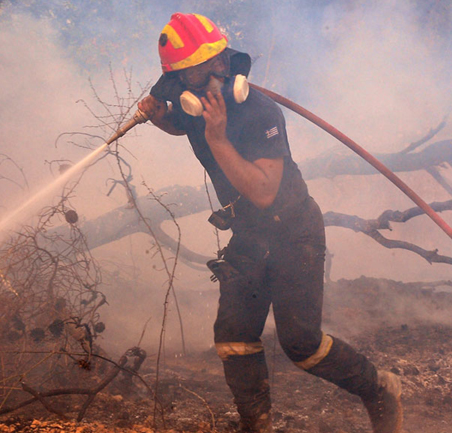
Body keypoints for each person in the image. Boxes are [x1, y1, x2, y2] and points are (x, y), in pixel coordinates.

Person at [138, 12, 404, 433]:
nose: (198, 86)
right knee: (234, 336)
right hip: (249, 236)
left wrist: (219, 139)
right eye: (186, 79)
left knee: (301, 344)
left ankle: (379, 390)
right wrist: (162, 118)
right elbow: (183, 125)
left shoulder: (260, 112)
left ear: (224, 65)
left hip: (293, 233)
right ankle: (255, 425)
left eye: (204, 71)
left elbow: (263, 191)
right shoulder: (198, 105)